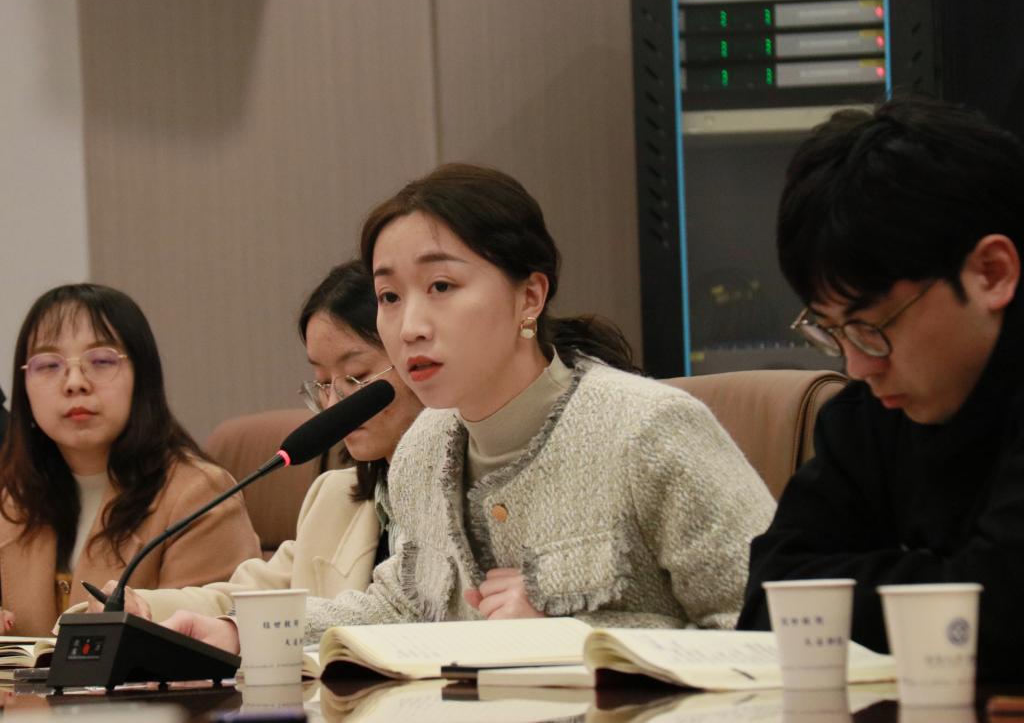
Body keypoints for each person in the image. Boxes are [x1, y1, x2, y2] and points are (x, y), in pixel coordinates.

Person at [163, 163, 775, 652]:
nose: (410, 326)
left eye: (441, 287)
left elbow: (765, 631)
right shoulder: (424, 448)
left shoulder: (648, 430)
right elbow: (398, 608)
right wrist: (243, 635)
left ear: (529, 297)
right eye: (389, 296)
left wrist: (575, 638)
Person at [737, 97, 1024, 680]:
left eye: (872, 326)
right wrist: (947, 585)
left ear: (991, 272)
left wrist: (856, 587)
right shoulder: (869, 414)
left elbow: (1007, 619)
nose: (858, 366)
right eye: (832, 330)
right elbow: (771, 600)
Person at [80, 261, 424, 621]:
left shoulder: (456, 497)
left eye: (356, 376)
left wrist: (238, 629)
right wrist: (144, 608)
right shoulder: (333, 497)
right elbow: (248, 599)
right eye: (323, 383)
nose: (334, 404)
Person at [0, 284, 261, 636]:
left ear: (142, 377)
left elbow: (208, 642)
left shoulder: (200, 497)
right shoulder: (10, 496)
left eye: (101, 361)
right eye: (48, 365)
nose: (75, 383)